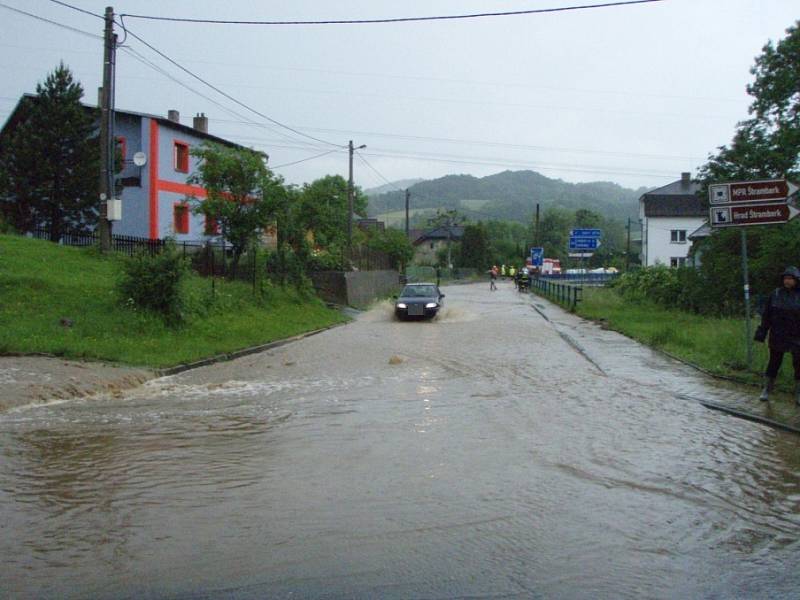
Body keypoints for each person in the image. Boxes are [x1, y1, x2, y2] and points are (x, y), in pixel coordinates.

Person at [754, 266, 800, 403]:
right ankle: (767, 389)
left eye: (790, 279)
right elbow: (767, 315)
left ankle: (798, 392)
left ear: (796, 280)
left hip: (796, 335)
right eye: (785, 278)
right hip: (778, 334)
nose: (787, 281)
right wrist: (762, 331)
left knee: (798, 364)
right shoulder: (775, 294)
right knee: (774, 362)